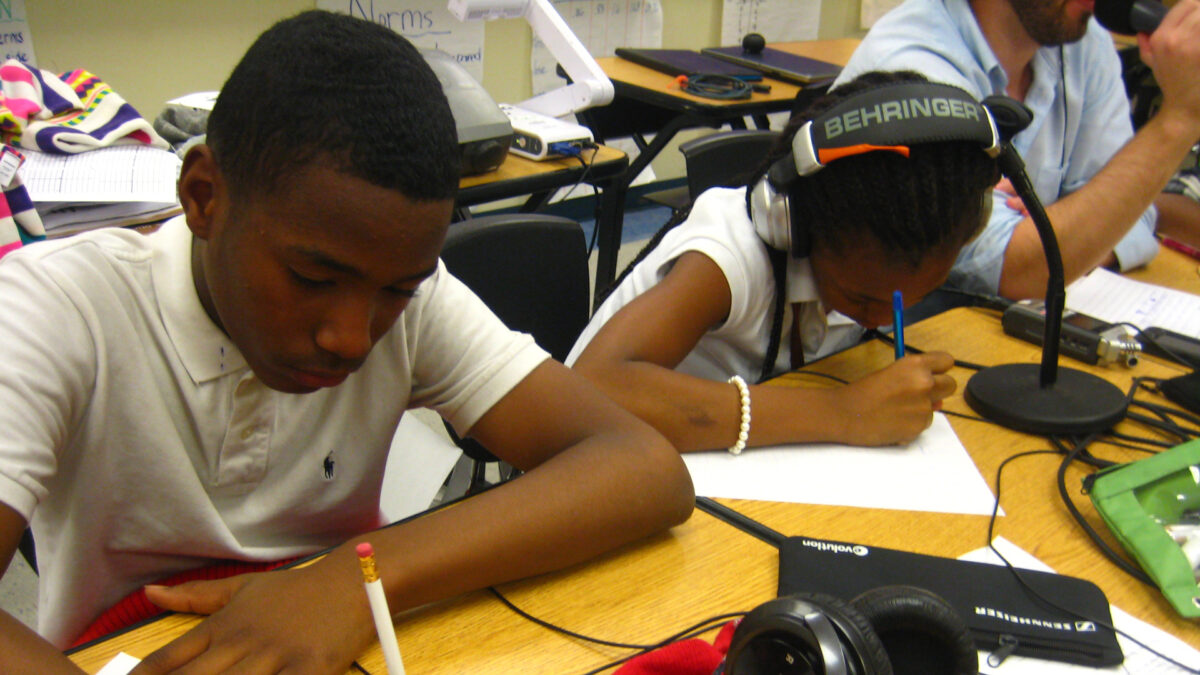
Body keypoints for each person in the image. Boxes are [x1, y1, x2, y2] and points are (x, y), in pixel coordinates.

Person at [0, 11, 693, 674]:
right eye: (310, 276)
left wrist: (355, 581)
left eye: (396, 291)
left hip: (341, 631)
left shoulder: (407, 290)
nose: (351, 338)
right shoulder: (55, 308)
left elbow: (643, 469)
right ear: (204, 197)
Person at [567, 71, 1001, 453]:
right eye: (862, 299)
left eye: (915, 298)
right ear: (793, 224)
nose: (885, 317)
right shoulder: (726, 258)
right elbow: (595, 387)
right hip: (589, 460)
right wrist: (843, 412)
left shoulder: (871, 261)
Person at [834, 0, 1200, 301]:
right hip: (898, 342)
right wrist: (1181, 118)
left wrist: (1064, 234)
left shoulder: (1085, 45)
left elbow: (1136, 212)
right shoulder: (910, 67)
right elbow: (1016, 270)